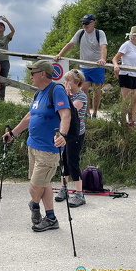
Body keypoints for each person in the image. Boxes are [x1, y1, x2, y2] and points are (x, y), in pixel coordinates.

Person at [2, 60, 70, 232]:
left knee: (35, 187)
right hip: (33, 146)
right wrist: (13, 134)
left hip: (48, 149)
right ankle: (51, 218)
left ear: (42, 74)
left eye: (32, 73)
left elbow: (65, 115)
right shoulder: (38, 94)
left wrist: (62, 135)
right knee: (44, 183)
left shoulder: (57, 90)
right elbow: (29, 117)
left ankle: (34, 206)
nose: (30, 76)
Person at [53, 14, 107, 119]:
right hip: (84, 67)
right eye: (83, 23)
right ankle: (86, 113)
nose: (84, 25)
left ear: (93, 23)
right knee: (83, 89)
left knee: (97, 90)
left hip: (97, 66)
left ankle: (95, 112)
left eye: (87, 23)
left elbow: (103, 46)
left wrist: (103, 59)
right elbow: (70, 44)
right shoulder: (80, 33)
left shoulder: (99, 33)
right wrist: (60, 54)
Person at [54, 69, 88, 207]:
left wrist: (66, 95)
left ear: (77, 82)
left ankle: (80, 194)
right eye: (65, 80)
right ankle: (64, 188)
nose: (66, 82)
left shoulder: (81, 96)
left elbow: (71, 112)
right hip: (65, 134)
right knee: (64, 161)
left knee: (73, 162)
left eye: (68, 80)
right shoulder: (67, 95)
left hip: (76, 134)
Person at [112, 25, 136, 127]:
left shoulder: (135, 47)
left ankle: (132, 121)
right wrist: (116, 66)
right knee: (127, 99)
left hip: (134, 75)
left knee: (134, 99)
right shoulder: (126, 45)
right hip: (126, 74)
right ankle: (123, 121)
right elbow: (115, 58)